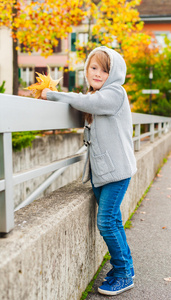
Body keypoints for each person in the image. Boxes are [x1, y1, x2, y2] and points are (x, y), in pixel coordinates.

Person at [41, 46, 137, 296]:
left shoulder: (114, 93)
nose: (98, 74)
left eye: (105, 70)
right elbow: (86, 103)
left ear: (114, 74)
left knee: (106, 222)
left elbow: (87, 102)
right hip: (102, 170)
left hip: (117, 170)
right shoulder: (96, 95)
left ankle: (124, 272)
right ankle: (125, 267)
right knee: (113, 220)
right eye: (93, 68)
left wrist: (53, 95)